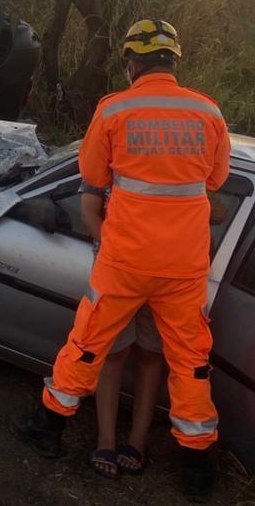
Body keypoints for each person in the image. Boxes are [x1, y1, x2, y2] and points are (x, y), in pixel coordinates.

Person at [11, 19, 231, 502]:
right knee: (190, 362)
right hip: (184, 266)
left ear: (131, 63)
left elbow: (92, 173)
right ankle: (196, 465)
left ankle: (49, 429)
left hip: (125, 258)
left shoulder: (116, 109)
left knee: (87, 344)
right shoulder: (208, 113)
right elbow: (214, 181)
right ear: (173, 61)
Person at [81, 184, 167, 479]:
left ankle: (137, 442)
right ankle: (106, 440)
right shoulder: (112, 142)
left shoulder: (177, 154)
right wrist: (120, 255)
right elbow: (89, 208)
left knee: (150, 353)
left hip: (166, 273)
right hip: (114, 269)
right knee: (114, 352)